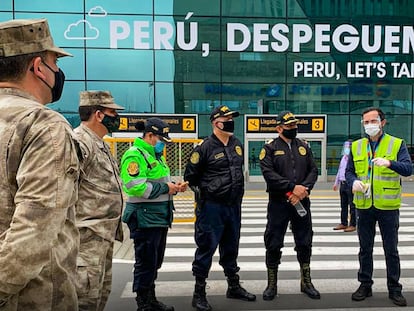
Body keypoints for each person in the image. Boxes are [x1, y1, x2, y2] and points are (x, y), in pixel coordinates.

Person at [0, 19, 80, 310]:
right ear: (38, 67)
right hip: (30, 297)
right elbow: (33, 232)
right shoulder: (42, 125)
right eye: (54, 62)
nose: (58, 72)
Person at [184, 105, 256, 311]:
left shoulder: (236, 143)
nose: (231, 121)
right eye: (227, 118)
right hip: (212, 208)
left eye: (232, 117)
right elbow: (191, 177)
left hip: (233, 206)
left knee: (231, 246)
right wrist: (208, 193)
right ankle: (199, 293)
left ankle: (233, 286)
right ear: (216, 123)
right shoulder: (204, 147)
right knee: (206, 247)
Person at [345, 107, 412, 306]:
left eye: (373, 121)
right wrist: (353, 182)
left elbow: (408, 169)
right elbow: (349, 172)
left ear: (382, 122)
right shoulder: (356, 146)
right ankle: (365, 284)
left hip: (388, 207)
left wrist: (390, 163)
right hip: (364, 206)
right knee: (365, 249)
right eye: (365, 122)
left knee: (390, 249)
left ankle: (394, 288)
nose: (369, 125)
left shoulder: (397, 144)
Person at [120, 117, 187, 311]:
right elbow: (135, 186)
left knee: (154, 262)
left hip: (158, 216)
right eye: (160, 140)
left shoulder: (155, 155)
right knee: (145, 262)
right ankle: (143, 303)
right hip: (144, 217)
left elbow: (158, 180)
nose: (162, 145)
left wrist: (174, 186)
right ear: (150, 135)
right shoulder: (135, 154)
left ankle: (151, 299)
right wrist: (167, 188)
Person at [259, 111, 320, 301]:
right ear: (279, 128)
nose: (293, 129)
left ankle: (306, 281)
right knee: (274, 242)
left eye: (295, 125)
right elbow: (269, 174)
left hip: (302, 201)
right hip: (279, 203)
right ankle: (272, 283)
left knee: (304, 241)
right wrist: (292, 189)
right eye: (289, 126)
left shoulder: (304, 146)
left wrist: (304, 190)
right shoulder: (269, 148)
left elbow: (313, 170)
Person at [74, 90, 125, 310]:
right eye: (113, 112)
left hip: (102, 238)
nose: (118, 117)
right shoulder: (79, 143)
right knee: (84, 301)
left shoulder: (99, 143)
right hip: (85, 241)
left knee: (99, 298)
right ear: (99, 115)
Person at [332, 140, 356, 232]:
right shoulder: (343, 158)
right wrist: (336, 183)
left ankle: (353, 224)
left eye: (348, 147)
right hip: (342, 184)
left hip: (349, 184)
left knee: (352, 205)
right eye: (345, 147)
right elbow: (339, 171)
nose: (346, 149)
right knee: (343, 205)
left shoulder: (353, 159)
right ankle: (343, 223)